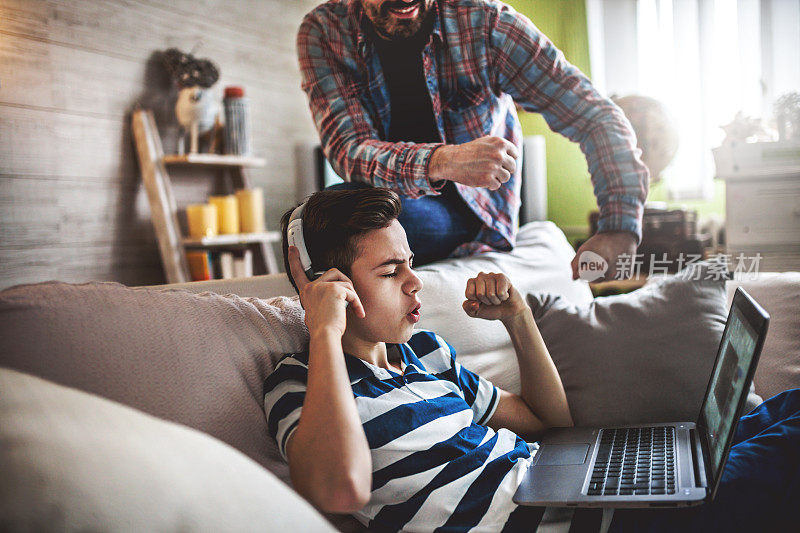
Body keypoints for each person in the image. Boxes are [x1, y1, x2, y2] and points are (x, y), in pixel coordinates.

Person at [265, 187, 800, 532]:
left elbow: (551, 423)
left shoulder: (426, 352)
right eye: (388, 273)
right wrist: (325, 332)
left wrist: (519, 317)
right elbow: (339, 488)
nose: (414, 282)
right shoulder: (299, 382)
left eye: (411, 263)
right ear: (324, 285)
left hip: (575, 494)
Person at [296, 0, 649, 278]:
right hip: (381, 199)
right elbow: (349, 150)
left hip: (471, 211)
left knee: (353, 230)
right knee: (315, 221)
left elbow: (594, 114)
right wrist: (443, 160)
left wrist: (619, 228)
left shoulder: (488, 24)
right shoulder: (323, 32)